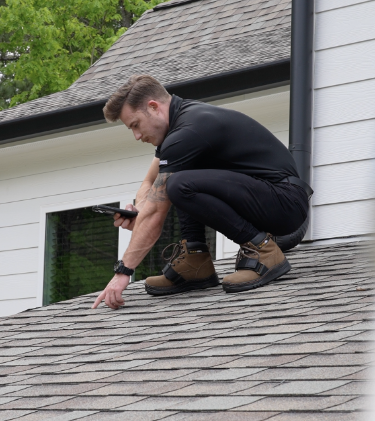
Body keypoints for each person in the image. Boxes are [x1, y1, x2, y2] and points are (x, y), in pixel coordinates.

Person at [92, 74, 312, 310]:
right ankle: (196, 259)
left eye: (135, 125)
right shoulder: (180, 126)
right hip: (270, 201)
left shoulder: (190, 129)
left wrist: (123, 272)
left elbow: (158, 207)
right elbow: (150, 181)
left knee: (177, 184)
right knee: (174, 179)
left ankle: (263, 251)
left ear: (153, 107)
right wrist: (139, 211)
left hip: (285, 203)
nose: (136, 135)